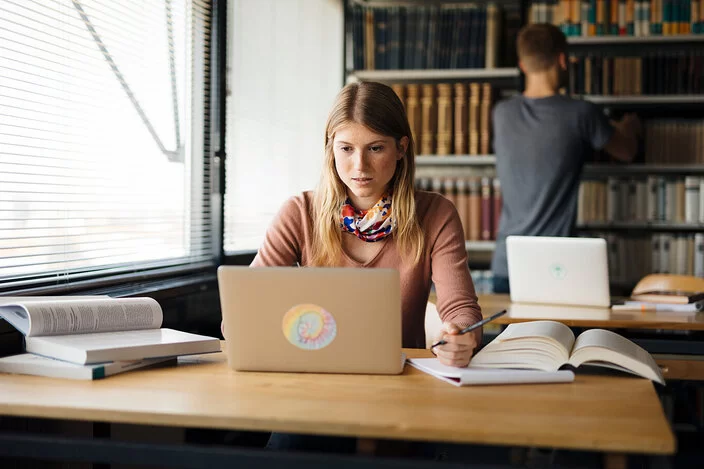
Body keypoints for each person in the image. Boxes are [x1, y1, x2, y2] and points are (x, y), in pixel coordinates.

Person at [221, 81, 484, 454]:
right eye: (346, 149)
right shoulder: (299, 212)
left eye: (375, 148)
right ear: (330, 150)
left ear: (401, 149)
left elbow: (460, 308)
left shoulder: (435, 213)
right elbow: (241, 312)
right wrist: (243, 326)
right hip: (313, 391)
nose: (359, 166)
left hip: (403, 393)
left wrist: (463, 335)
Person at [490, 23, 642, 294]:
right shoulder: (582, 113)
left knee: (512, 339)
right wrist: (629, 126)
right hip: (556, 268)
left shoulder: (501, 113)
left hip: (507, 263)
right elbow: (626, 151)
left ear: (523, 65)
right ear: (562, 60)